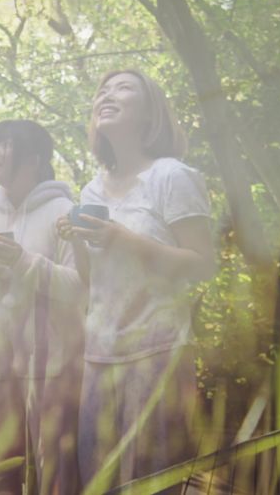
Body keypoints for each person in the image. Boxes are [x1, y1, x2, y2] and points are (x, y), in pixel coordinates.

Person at [57, 70, 217, 491]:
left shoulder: (171, 176)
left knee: (157, 482)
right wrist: (76, 241)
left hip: (158, 352)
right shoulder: (91, 191)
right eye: (102, 91)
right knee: (100, 482)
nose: (107, 95)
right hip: (99, 356)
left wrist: (121, 239)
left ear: (150, 114)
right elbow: (92, 280)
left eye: (123, 88)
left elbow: (203, 264)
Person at [0, 119, 85, 495]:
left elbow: (80, 288)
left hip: (54, 365)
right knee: (4, 468)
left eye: (3, 145)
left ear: (34, 158)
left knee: (55, 469)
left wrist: (21, 260)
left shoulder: (64, 212)